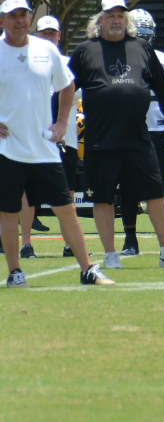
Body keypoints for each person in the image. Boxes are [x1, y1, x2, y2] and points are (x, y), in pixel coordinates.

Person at [0, 0, 115, 288]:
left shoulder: (46, 49)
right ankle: (15, 271)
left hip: (44, 149)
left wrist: (62, 122)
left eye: (23, 15)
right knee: (8, 213)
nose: (19, 20)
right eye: (12, 16)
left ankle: (87, 269)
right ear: (2, 21)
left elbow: (67, 85)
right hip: (7, 149)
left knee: (67, 210)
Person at [68, 0, 164, 271]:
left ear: (127, 20)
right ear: (100, 20)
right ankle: (110, 255)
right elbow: (65, 90)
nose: (116, 20)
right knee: (103, 198)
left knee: (157, 193)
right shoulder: (85, 51)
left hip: (137, 138)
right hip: (100, 140)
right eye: (110, 15)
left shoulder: (141, 48)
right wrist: (53, 121)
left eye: (120, 15)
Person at [118, 9, 164, 256]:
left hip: (158, 128)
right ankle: (130, 239)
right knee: (128, 187)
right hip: (131, 129)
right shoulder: (121, 56)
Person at [33, 15, 81, 259]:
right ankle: (25, 245)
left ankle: (70, 244)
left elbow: (78, 94)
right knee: (24, 194)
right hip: (32, 140)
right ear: (37, 35)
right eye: (44, 33)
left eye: (53, 33)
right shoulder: (29, 63)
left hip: (66, 139)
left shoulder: (68, 63)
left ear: (59, 35)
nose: (49, 37)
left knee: (66, 194)